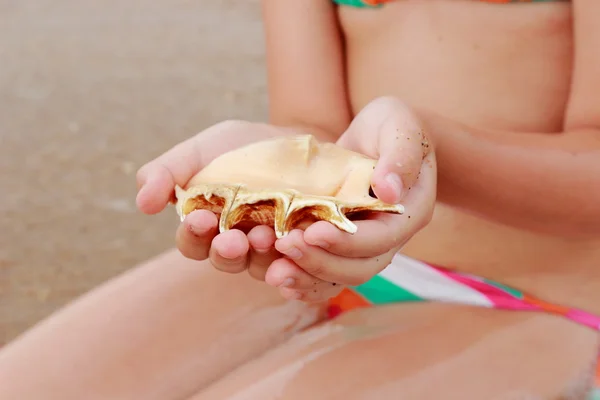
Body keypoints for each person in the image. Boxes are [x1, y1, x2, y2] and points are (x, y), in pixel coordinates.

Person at [0, 0, 599, 398]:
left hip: (535, 301)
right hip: (329, 257)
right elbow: (310, 125)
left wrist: (430, 150)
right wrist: (267, 169)